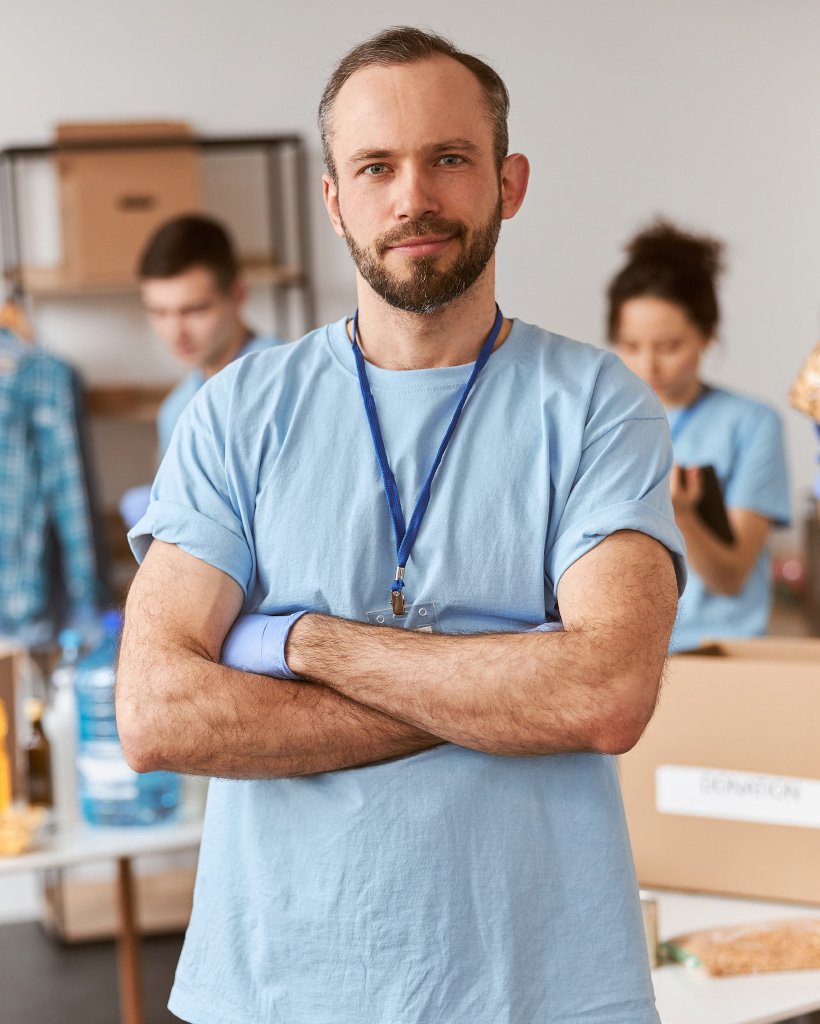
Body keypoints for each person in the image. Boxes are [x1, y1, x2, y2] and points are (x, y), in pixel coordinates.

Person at [117, 27, 685, 1024]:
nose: (412, 196)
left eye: (449, 159)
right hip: (278, 986)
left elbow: (603, 692)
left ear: (507, 182)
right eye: (375, 166)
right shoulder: (239, 410)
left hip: (545, 988)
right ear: (334, 200)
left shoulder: (601, 405)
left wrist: (297, 640)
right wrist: (505, 680)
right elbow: (159, 711)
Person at [607, 219, 790, 651]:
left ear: (707, 336)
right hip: (624, 651)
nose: (649, 365)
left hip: (716, 650)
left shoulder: (751, 423)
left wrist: (683, 514)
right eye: (631, 345)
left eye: (669, 346)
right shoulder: (600, 422)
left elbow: (731, 578)